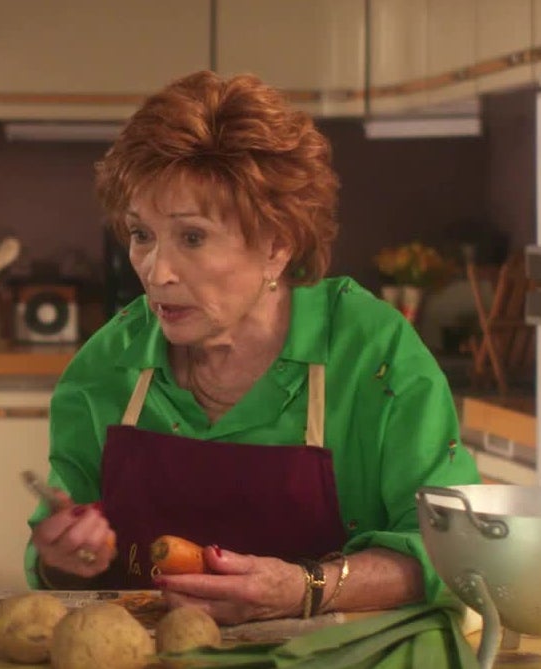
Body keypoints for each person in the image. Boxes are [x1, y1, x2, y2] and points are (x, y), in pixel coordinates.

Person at [26, 71, 481, 625]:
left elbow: (453, 550)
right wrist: (64, 557)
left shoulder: (373, 354)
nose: (155, 271)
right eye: (141, 234)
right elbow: (60, 566)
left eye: (191, 237)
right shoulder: (105, 368)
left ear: (278, 244)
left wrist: (307, 587)